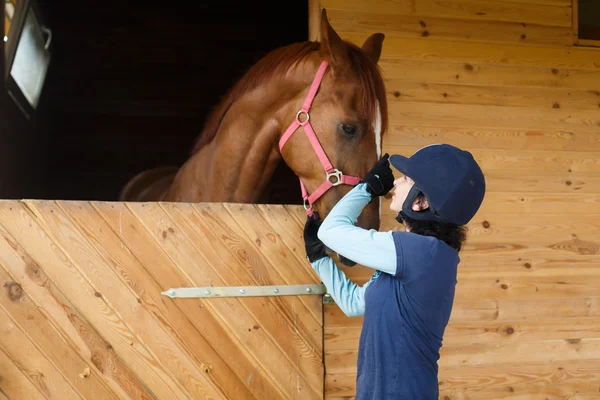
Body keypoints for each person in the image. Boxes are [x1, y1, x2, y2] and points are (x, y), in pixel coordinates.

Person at [303, 144, 486, 399]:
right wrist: (319, 259)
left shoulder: (421, 252)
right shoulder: (421, 258)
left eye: (407, 178)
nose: (397, 182)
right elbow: (354, 304)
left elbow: (330, 231)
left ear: (420, 201)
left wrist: (367, 189)